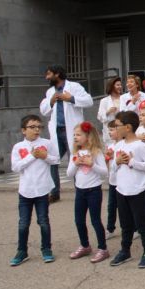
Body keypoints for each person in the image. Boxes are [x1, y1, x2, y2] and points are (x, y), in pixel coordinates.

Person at [9, 114, 59, 266]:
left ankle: (46, 249)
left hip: (42, 190)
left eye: (39, 127)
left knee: (43, 221)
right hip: (25, 191)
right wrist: (31, 156)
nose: (36, 130)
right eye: (32, 127)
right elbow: (15, 167)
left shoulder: (47, 143)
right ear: (24, 130)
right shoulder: (18, 147)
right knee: (23, 223)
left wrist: (45, 156)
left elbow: (56, 159)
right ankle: (22, 251)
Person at [40, 65, 94, 203]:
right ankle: (54, 192)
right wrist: (51, 101)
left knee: (76, 159)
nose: (47, 77)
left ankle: (80, 190)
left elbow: (89, 101)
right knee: (52, 160)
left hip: (72, 131)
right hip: (57, 131)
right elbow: (44, 111)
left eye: (49, 74)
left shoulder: (74, 86)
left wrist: (70, 98)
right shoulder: (50, 91)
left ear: (57, 74)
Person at [109, 111, 145, 268]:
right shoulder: (119, 145)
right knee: (125, 223)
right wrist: (116, 161)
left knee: (141, 222)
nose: (115, 129)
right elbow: (113, 168)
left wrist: (132, 162)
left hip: (138, 189)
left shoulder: (140, 146)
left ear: (128, 127)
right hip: (121, 189)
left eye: (117, 126)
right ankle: (125, 250)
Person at [66, 121, 109, 262]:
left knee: (95, 220)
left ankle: (103, 248)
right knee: (78, 220)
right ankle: (85, 245)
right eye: (74, 135)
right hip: (80, 191)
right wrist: (76, 164)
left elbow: (104, 172)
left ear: (88, 136)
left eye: (78, 134)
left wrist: (92, 165)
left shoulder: (96, 153)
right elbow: (69, 174)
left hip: (94, 191)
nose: (75, 137)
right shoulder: (76, 154)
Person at [97, 77, 122, 144]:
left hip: (122, 129)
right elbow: (99, 117)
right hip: (109, 131)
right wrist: (108, 112)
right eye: (118, 85)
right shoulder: (104, 101)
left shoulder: (124, 98)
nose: (120, 87)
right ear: (112, 86)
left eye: (120, 85)